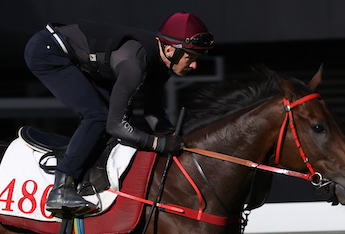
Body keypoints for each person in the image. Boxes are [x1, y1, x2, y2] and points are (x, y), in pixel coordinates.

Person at [24, 11, 215, 217]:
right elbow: (114, 125)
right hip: (49, 51)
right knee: (98, 117)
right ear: (169, 49)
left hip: (81, 58)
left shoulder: (160, 62)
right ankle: (61, 190)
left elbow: (152, 111)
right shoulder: (135, 66)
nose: (194, 65)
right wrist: (158, 145)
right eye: (190, 57)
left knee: (116, 116)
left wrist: (174, 139)